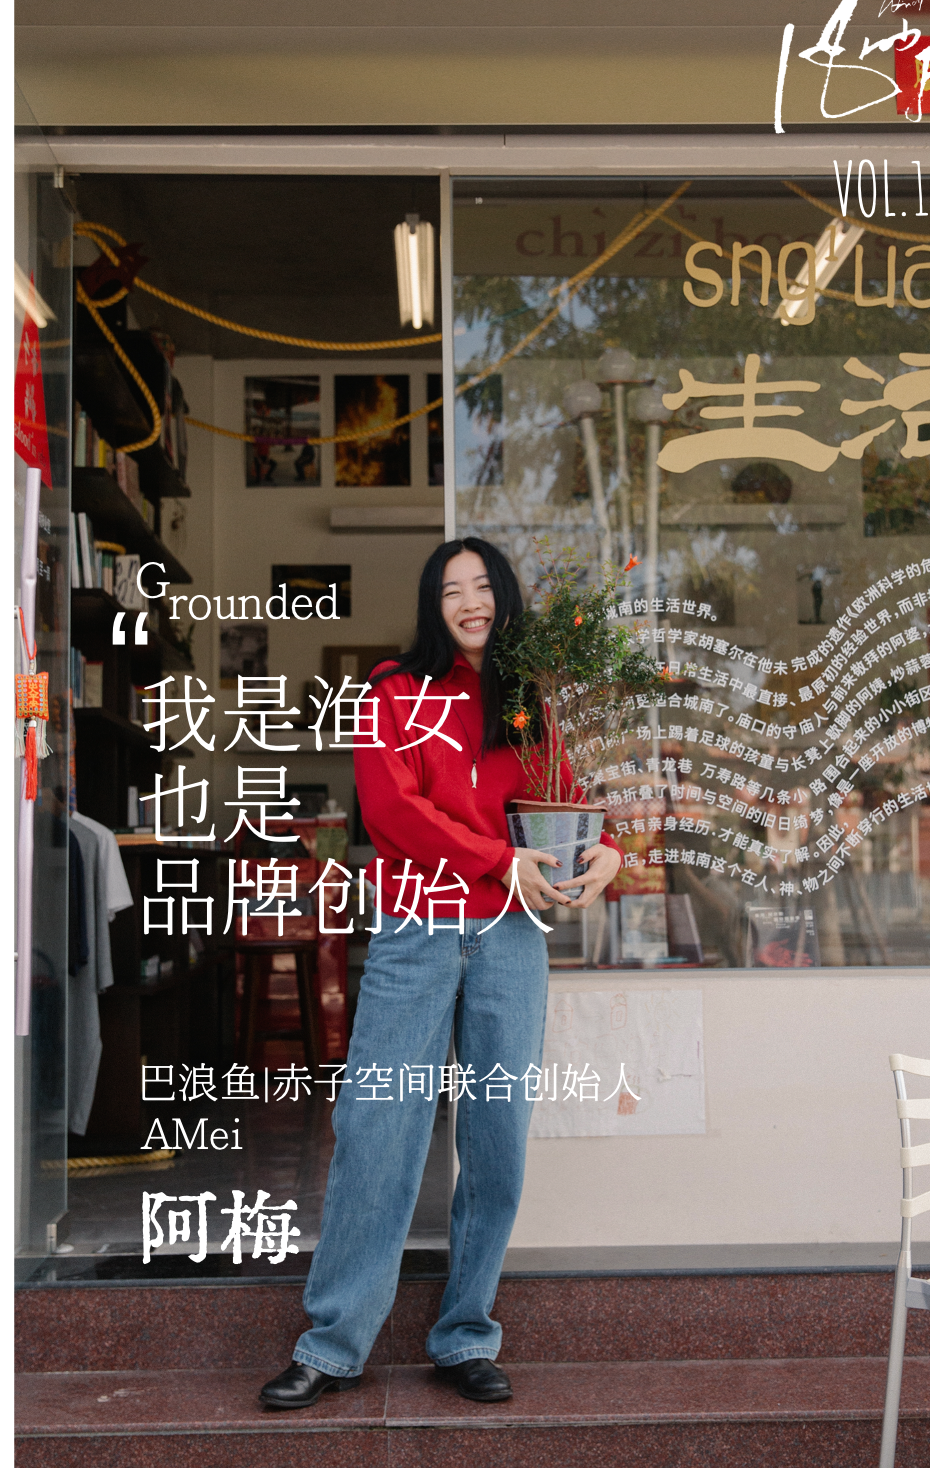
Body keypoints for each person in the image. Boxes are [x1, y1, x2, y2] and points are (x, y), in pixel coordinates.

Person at [260, 538, 622, 1410]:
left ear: (505, 599)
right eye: (451, 589)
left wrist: (607, 849)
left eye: (482, 586)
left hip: (510, 939)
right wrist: (498, 859)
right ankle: (332, 1344)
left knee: (496, 1143)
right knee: (377, 1131)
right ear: (433, 606)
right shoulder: (390, 691)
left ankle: (465, 1335)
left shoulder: (526, 702)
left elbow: (562, 800)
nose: (469, 602)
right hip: (416, 931)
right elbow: (393, 812)